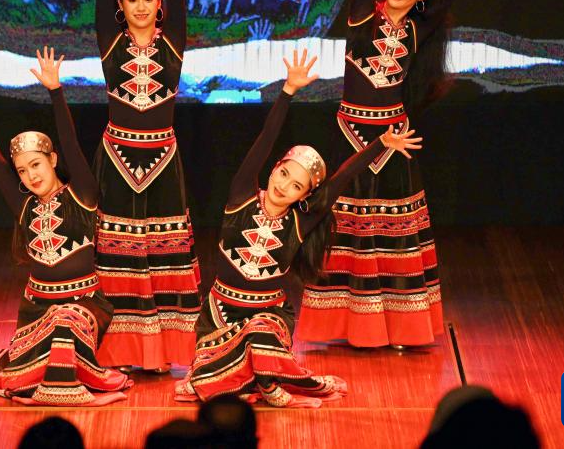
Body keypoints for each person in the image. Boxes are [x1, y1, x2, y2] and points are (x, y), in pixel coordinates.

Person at [296, 0, 530, 348]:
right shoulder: (362, 15)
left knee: (395, 230)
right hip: (350, 133)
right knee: (349, 228)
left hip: (394, 138)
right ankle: (346, 326)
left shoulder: (419, 30)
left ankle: (398, 327)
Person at [176, 51, 423, 407]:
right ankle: (248, 381)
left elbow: (342, 178)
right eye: (284, 174)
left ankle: (267, 384)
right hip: (220, 315)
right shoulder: (241, 197)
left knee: (260, 334)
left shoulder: (300, 222)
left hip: (269, 316)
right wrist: (287, 91)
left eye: (296, 186)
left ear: (305, 196)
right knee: (218, 373)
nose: (284, 186)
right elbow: (266, 138)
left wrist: (380, 144)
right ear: (275, 168)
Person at [0, 48, 130, 405]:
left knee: (66, 323)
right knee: (45, 343)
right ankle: (42, 385)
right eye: (22, 171)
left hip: (84, 306)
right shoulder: (24, 206)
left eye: (36, 165)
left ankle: (70, 391)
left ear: (52, 160)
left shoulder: (82, 195)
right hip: (36, 310)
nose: (30, 175)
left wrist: (56, 92)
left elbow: (70, 142)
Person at [78, 0, 200, 371]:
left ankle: (162, 351)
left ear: (160, 3)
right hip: (117, 159)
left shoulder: (174, 42)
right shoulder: (110, 42)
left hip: (163, 161)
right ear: (121, 5)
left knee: (161, 253)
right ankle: (120, 350)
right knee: (119, 254)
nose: (142, 6)